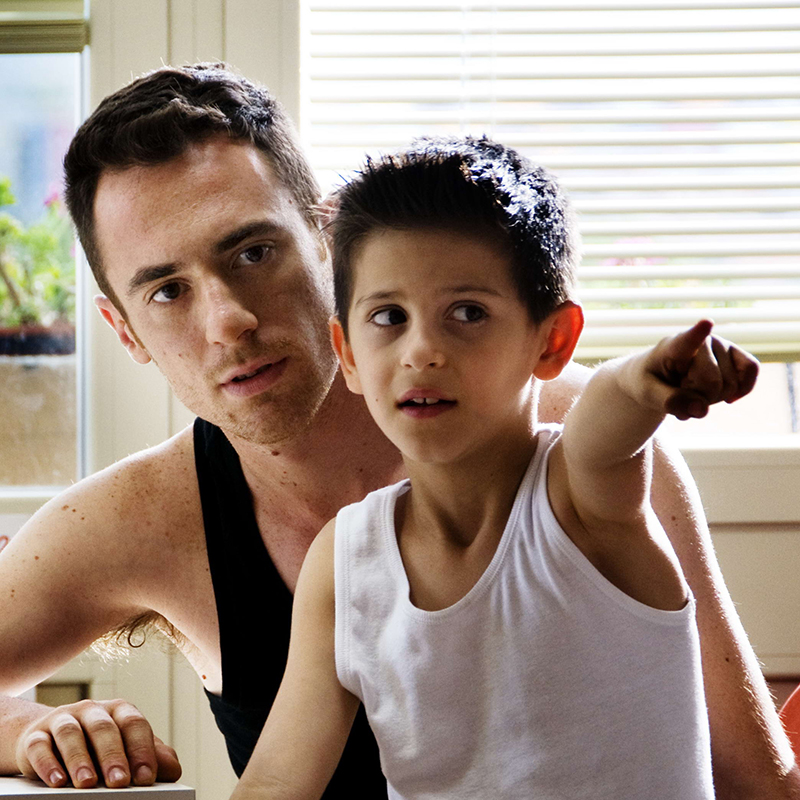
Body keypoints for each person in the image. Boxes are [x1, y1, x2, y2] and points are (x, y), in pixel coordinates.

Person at [0, 63, 795, 799]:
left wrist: (654, 381)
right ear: (125, 330)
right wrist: (26, 728)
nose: (227, 320)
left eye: (253, 252)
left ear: (328, 241)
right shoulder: (141, 518)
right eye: (167, 292)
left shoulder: (581, 437)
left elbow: (757, 785)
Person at [228, 137, 752, 799]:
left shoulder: (579, 499)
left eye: (468, 313)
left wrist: (648, 381)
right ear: (349, 354)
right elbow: (277, 779)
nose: (421, 350)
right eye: (388, 317)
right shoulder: (345, 561)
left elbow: (605, 420)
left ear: (553, 340)